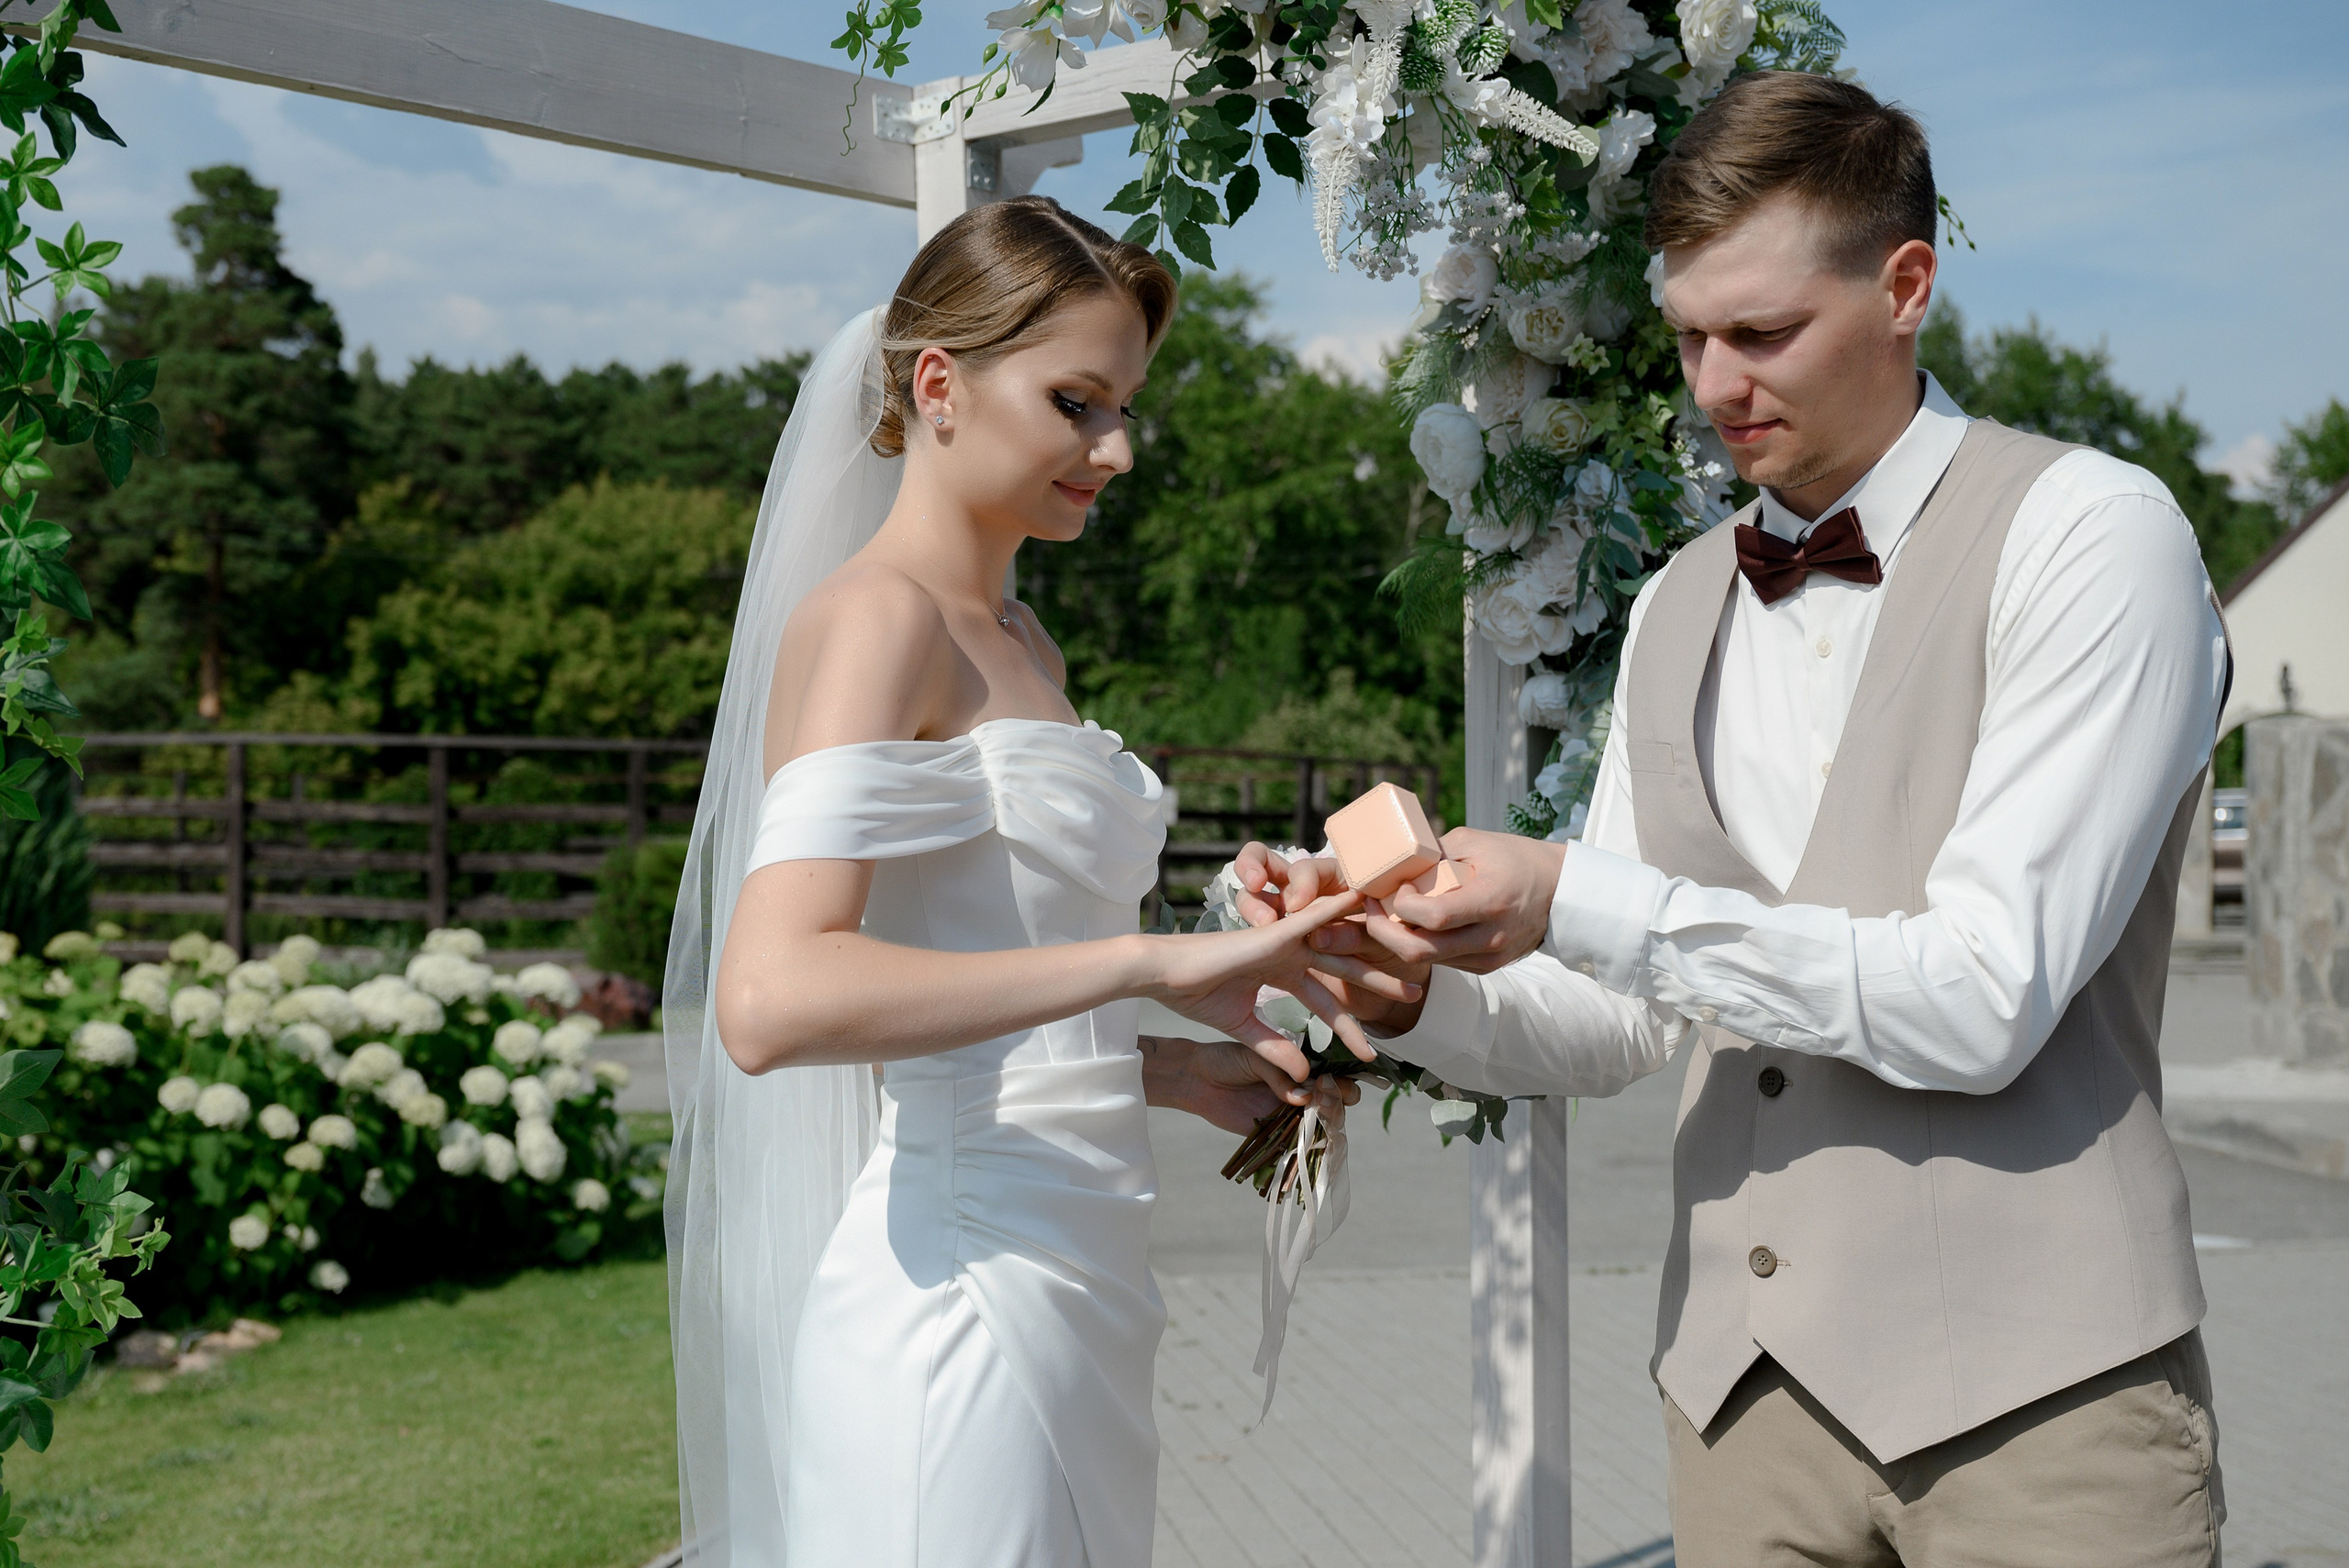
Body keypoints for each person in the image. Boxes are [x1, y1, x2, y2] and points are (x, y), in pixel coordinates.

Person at [1241, 72, 2230, 1567]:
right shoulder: (1677, 601)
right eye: (1690, 336)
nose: (1713, 386)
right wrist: (1413, 982)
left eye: (1762, 333)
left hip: (2049, 1413)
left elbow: (1985, 998)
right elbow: (1625, 1017)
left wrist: (1573, 890)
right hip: (1740, 1406)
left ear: (1907, 287)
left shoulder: (2094, 537)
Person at [661, 195, 1391, 1568]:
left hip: (1083, 1273)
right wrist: (1155, 965)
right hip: (958, 1295)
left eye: (1123, 409)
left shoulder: (1025, 641)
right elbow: (774, 997)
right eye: (1076, 402)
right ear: (939, 384)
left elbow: (948, 999)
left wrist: (1168, 1070)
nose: (1114, 451)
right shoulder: (878, 621)